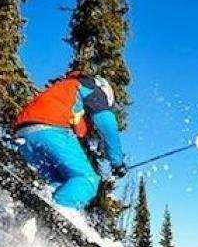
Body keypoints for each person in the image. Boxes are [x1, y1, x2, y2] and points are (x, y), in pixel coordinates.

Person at [12, 71, 126, 209]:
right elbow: (107, 123)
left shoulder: (66, 88)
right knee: (87, 179)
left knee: (60, 182)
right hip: (50, 130)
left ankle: (32, 214)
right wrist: (117, 163)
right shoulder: (92, 87)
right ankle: (57, 213)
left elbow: (79, 129)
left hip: (23, 134)